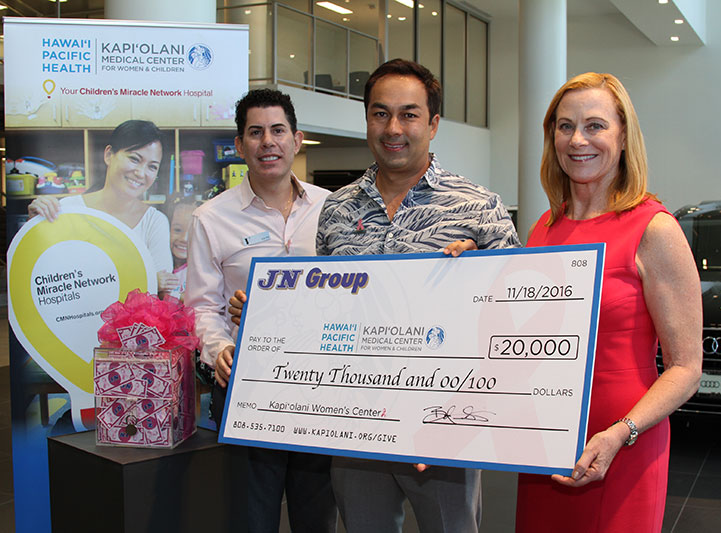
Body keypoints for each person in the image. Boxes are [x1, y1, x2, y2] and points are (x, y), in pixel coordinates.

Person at [231, 59, 520, 533]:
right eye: (380, 113)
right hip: (356, 423)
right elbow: (327, 311)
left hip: (443, 424)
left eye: (409, 114)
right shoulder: (337, 209)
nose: (393, 128)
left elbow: (515, 314)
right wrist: (268, 312)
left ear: (433, 124)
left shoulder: (478, 207)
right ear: (366, 120)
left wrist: (481, 279)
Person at [516, 72, 702, 532]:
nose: (578, 139)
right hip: (545, 445)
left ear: (623, 137)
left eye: (595, 125)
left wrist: (621, 433)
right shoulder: (543, 229)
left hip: (623, 446)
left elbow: (686, 368)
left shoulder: (654, 229)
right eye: (564, 126)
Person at [183, 88, 337, 533]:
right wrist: (219, 350)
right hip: (249, 386)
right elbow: (202, 307)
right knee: (251, 516)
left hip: (321, 384)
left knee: (318, 515)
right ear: (239, 146)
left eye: (277, 130)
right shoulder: (211, 219)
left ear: (297, 139)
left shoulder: (334, 208)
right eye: (255, 132)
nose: (267, 141)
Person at [28, 119, 174, 292]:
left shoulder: (154, 222)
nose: (141, 173)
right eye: (134, 159)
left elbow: (165, 292)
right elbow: (48, 277)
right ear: (108, 155)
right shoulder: (67, 210)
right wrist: (34, 229)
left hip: (133, 321)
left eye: (152, 167)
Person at [161, 196, 200, 300]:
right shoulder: (157, 265)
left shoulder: (200, 270)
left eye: (192, 232)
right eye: (177, 230)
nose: (184, 239)